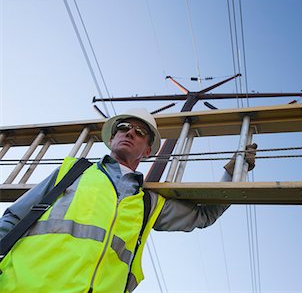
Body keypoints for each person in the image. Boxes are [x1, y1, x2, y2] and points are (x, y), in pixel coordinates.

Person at [0, 108, 257, 293]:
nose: (129, 133)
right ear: (112, 138)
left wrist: (236, 169)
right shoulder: (73, 173)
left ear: (147, 150)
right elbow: (13, 218)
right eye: (123, 128)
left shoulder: (148, 203)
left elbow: (205, 216)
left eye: (139, 131)